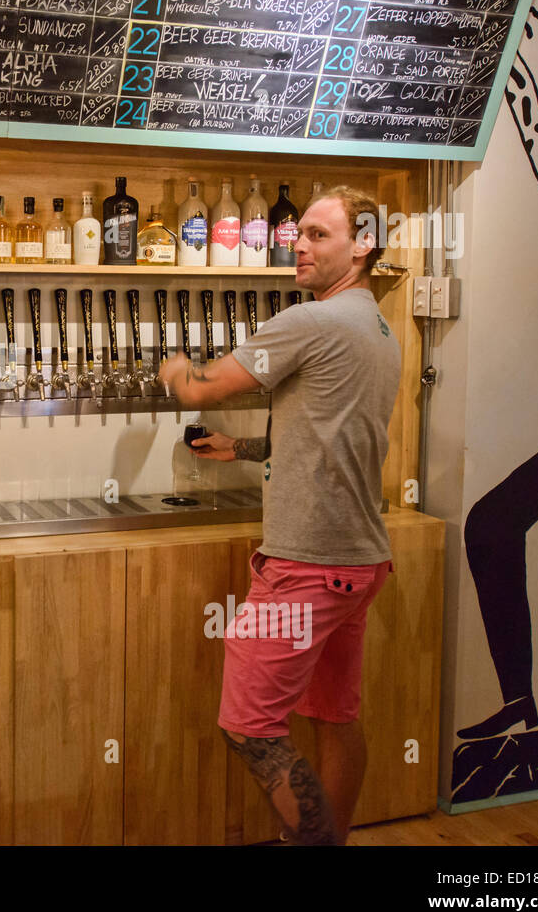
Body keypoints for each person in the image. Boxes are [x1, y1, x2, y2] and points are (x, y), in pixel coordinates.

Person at [158, 186, 401, 845]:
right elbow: (325, 430)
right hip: (358, 562)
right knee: (334, 717)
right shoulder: (378, 328)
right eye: (300, 232)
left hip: (306, 566)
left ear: (364, 243)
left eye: (321, 234)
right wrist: (238, 448)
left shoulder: (309, 322)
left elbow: (205, 386)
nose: (301, 243)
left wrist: (177, 369)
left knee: (250, 725)